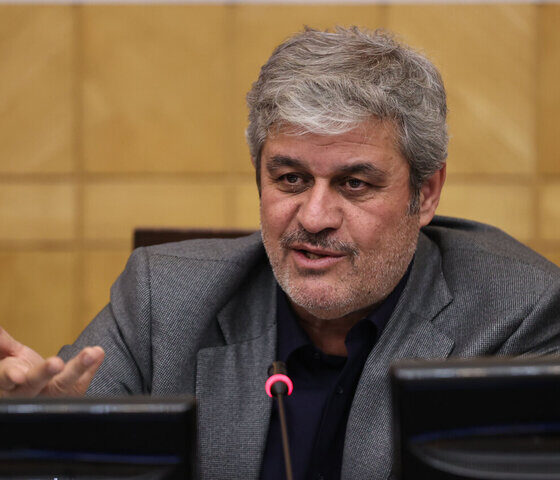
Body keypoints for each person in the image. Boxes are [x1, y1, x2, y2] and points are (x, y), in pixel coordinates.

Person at [1, 26, 560, 480]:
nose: (314, 218)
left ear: (427, 193)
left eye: (354, 184)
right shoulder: (162, 300)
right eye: (291, 178)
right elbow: (70, 448)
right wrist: (40, 451)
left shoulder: (518, 315)